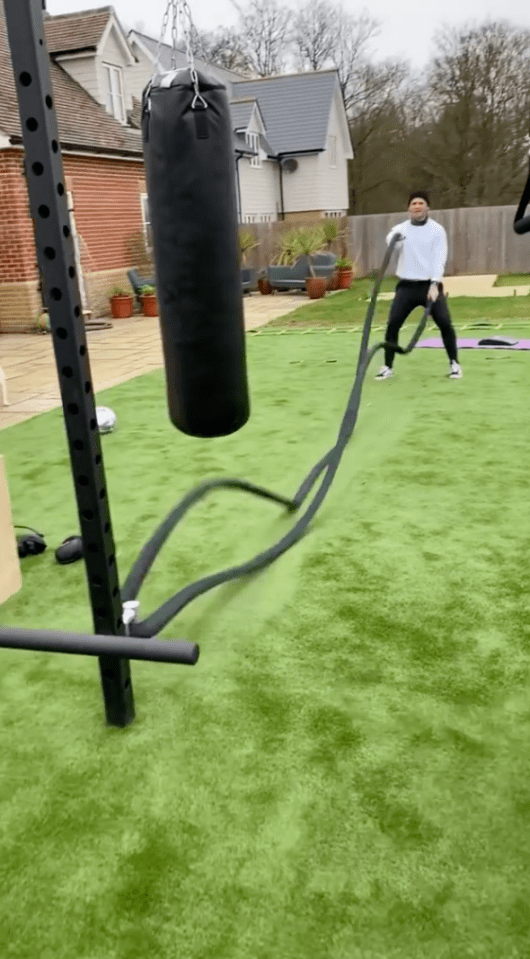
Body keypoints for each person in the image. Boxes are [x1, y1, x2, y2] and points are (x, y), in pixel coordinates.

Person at [375, 191, 462, 380]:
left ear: (427, 207)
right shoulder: (401, 229)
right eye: (413, 203)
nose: (417, 206)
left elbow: (440, 258)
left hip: (430, 286)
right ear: (409, 208)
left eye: (421, 203)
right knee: (393, 325)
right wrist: (393, 238)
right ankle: (387, 367)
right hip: (406, 286)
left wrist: (435, 284)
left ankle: (454, 364)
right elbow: (391, 243)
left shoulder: (437, 230)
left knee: (445, 323)